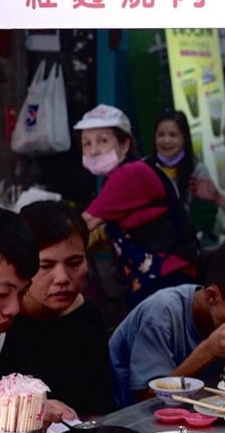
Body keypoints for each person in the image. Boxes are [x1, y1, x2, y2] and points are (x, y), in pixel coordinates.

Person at [108, 237, 225, 406]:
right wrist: (207, 351)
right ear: (212, 296)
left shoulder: (219, 315)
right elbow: (147, 400)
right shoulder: (162, 314)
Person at [0, 201, 115, 419]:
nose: (62, 279)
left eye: (74, 262)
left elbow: (97, 409)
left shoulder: (88, 316)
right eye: (46, 266)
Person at [0, 206, 76, 433]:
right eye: (1, 293)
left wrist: (28, 409)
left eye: (22, 293)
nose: (14, 309)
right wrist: (3, 415)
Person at [78, 104, 199, 310]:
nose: (94, 150)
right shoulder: (126, 173)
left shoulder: (129, 174)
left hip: (167, 276)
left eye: (103, 140)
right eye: (87, 143)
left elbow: (84, 223)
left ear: (125, 144)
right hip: (157, 276)